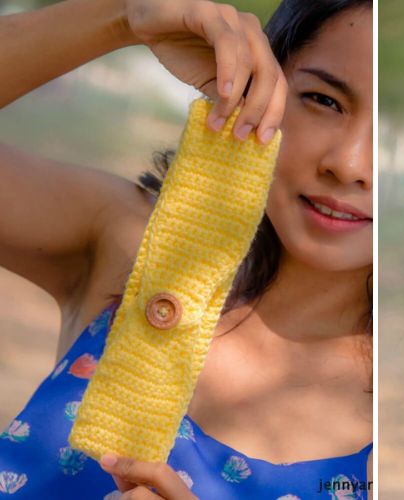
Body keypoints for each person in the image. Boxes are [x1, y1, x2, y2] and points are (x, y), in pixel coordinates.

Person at [0, 0, 372, 498]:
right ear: (263, 85)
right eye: (324, 100)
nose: (349, 165)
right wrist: (121, 18)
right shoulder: (136, 246)